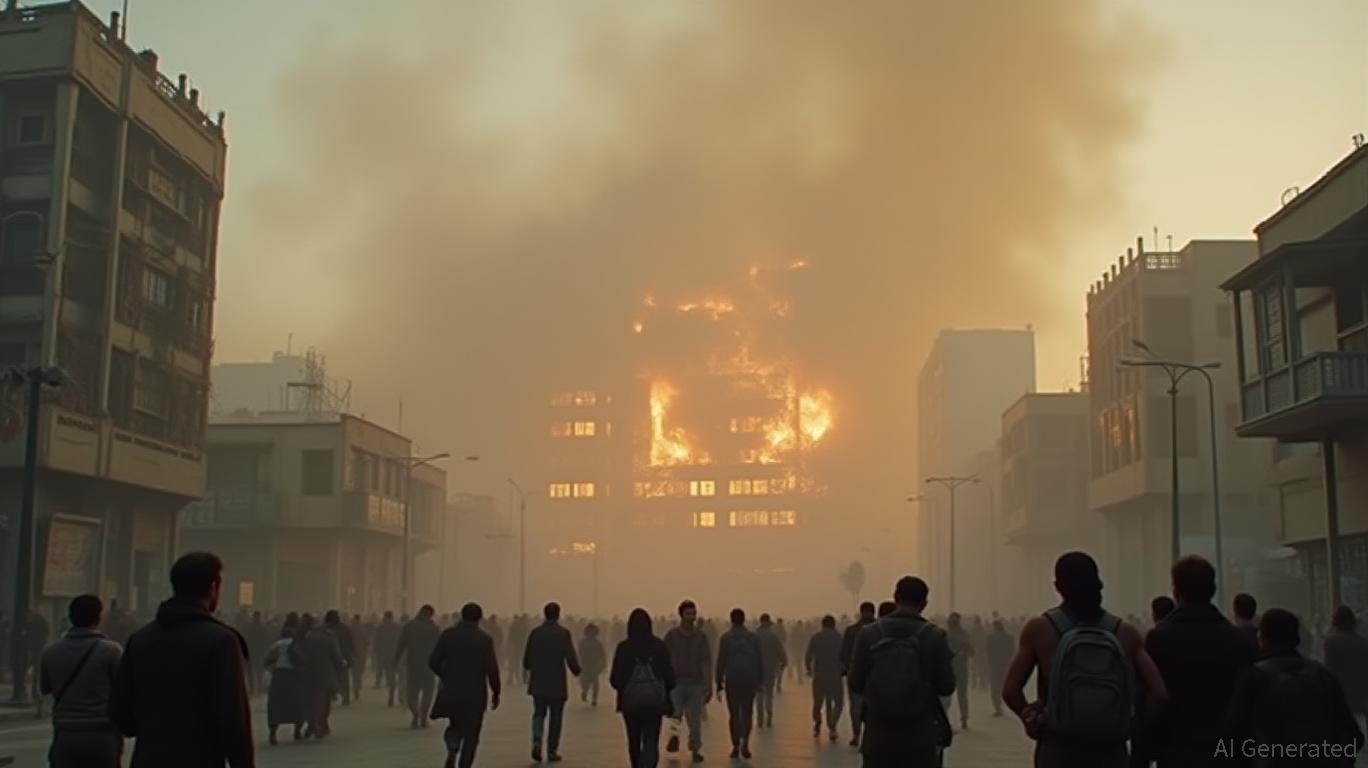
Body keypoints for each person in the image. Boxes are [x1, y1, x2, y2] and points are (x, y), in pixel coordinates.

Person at [1002, 551, 1167, 768]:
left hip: (1058, 748)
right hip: (1109, 750)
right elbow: (1160, 694)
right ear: (1098, 583)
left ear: (1058, 586)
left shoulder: (1040, 630)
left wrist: (1029, 718)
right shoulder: (1125, 633)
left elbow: (1010, 690)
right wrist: (1131, 727)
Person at [110, 551, 254, 768]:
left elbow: (120, 713)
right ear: (214, 587)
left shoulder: (140, 639)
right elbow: (234, 721)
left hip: (149, 759)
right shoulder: (222, 641)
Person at [1144, 555, 1257, 767]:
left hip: (1177, 751)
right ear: (1212, 590)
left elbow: (1152, 700)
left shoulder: (1159, 639)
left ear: (1176, 592)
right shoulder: (1239, 641)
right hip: (1228, 753)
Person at [1224, 608, 1364, 766]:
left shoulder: (1255, 677)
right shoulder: (1322, 675)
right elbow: (1354, 735)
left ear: (1262, 637)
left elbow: (1233, 733)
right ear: (1297, 638)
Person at [847, 577, 954, 768]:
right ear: (924, 603)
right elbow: (946, 686)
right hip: (919, 735)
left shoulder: (869, 633)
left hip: (878, 733)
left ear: (895, 597)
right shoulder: (935, 636)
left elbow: (855, 682)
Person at [39, 594, 124, 768]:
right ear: (98, 618)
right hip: (102, 735)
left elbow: (45, 688)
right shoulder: (112, 651)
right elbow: (123, 689)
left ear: (70, 618)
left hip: (65, 735)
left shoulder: (50, 652)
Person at [429, 602, 501, 768]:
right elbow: (491, 669)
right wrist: (496, 692)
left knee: (454, 724)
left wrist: (446, 675)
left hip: (452, 691)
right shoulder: (484, 640)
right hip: (475, 695)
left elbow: (433, 661)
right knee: (472, 735)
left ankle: (453, 747)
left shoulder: (448, 635)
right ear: (479, 618)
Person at [610, 608, 676, 768]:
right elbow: (670, 678)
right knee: (650, 740)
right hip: (654, 703)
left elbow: (615, 679)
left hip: (631, 704)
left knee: (633, 741)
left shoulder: (624, 648)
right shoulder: (659, 646)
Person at [523, 602, 582, 763]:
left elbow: (527, 661)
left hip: (538, 682)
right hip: (557, 683)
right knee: (556, 718)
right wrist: (577, 670)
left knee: (539, 714)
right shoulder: (563, 634)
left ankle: (536, 739)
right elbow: (570, 656)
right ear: (558, 614)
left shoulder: (535, 633)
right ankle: (551, 750)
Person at [664, 599, 711, 763]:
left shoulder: (701, 637)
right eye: (688, 613)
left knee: (695, 720)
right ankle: (674, 738)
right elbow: (664, 658)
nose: (691, 617)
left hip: (695, 683)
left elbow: (706, 661)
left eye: (693, 613)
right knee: (675, 715)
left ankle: (695, 749)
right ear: (681, 615)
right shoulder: (672, 636)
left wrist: (709, 685)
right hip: (676, 682)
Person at [716, 608, 763, 760]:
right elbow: (759, 660)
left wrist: (718, 682)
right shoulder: (753, 638)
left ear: (731, 620)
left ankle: (735, 744)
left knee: (734, 714)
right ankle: (746, 743)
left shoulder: (726, 638)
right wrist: (761, 680)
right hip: (750, 679)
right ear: (744, 620)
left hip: (733, 680)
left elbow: (721, 661)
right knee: (748, 712)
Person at [296, 613, 345, 738]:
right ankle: (321, 724)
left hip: (308, 672)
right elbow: (336, 657)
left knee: (310, 700)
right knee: (324, 701)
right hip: (325, 673)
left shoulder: (310, 634)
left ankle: (312, 723)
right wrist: (341, 666)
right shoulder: (330, 637)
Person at [1324, 606, 1368, 736]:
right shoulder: (1363, 641)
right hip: (1360, 687)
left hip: (1341, 687)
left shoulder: (1331, 642)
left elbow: (1329, 668)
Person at [396, 605, 441, 729]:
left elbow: (401, 645)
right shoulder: (434, 628)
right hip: (429, 665)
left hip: (413, 664)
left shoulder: (409, 626)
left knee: (412, 692)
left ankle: (415, 713)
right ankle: (423, 716)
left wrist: (395, 660)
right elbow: (440, 647)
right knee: (428, 691)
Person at [263, 621, 307, 744]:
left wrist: (272, 669)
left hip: (279, 676)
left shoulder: (276, 645)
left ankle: (273, 732)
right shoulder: (296, 644)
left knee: (276, 705)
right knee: (297, 703)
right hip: (293, 676)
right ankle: (297, 731)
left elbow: (266, 660)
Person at [841, 601, 877, 748]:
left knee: (856, 706)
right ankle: (871, 736)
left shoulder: (851, 630)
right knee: (874, 707)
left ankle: (856, 735)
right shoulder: (880, 630)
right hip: (876, 676)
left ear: (861, 612)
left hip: (855, 674)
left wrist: (847, 668)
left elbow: (843, 653)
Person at [805, 615, 845, 742]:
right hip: (835, 675)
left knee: (818, 703)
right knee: (838, 703)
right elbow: (845, 655)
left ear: (822, 624)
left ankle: (817, 721)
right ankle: (832, 726)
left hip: (820, 675)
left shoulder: (816, 637)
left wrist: (809, 669)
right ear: (834, 624)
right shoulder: (839, 637)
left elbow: (808, 655)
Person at [754, 613, 788, 729]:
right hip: (770, 670)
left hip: (756, 670)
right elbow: (782, 654)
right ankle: (769, 717)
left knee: (759, 695)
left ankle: (760, 719)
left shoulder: (754, 636)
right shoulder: (774, 637)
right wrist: (783, 663)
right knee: (769, 694)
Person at [945, 612, 973, 730]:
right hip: (948, 668)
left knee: (960, 694)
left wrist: (964, 653)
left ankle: (964, 718)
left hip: (959, 668)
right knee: (947, 695)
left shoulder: (964, 635)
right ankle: (945, 717)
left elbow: (971, 652)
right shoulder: (944, 634)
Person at [323, 610, 355, 707]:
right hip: (342, 656)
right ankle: (344, 697)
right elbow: (351, 642)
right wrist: (352, 655)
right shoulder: (344, 628)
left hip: (330, 657)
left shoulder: (325, 628)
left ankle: (334, 695)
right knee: (343, 678)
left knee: (331, 677)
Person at [986, 619, 1013, 717]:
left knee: (995, 688)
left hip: (995, 665)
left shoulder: (991, 637)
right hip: (1004, 665)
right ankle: (1000, 706)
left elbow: (988, 651)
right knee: (1001, 686)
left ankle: (998, 707)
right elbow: (1012, 651)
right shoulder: (1008, 637)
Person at [373, 610, 400, 705]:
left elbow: (376, 642)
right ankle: (391, 695)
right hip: (393, 655)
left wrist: (376, 653)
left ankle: (390, 693)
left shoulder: (380, 628)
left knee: (385, 673)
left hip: (383, 655)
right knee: (391, 676)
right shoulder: (396, 627)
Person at [577, 623, 606, 707]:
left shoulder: (582, 642)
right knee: (594, 682)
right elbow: (602, 654)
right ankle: (593, 698)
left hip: (586, 665)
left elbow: (579, 654)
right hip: (594, 665)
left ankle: (585, 692)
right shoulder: (597, 643)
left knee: (586, 681)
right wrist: (604, 664)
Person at [244, 611, 270, 697]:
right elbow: (266, 640)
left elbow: (246, 638)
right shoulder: (263, 627)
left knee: (251, 671)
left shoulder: (249, 627)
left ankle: (253, 688)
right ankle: (258, 687)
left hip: (251, 651)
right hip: (259, 651)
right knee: (259, 671)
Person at [350, 613, 372, 703]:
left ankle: (356, 685)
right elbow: (366, 641)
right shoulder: (361, 628)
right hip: (361, 654)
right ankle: (357, 685)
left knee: (354, 672)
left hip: (352, 654)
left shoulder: (349, 628)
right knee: (359, 671)